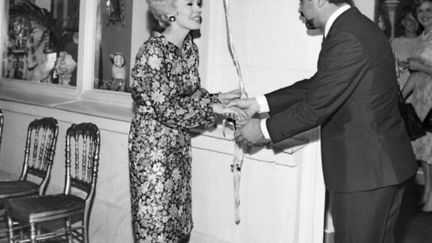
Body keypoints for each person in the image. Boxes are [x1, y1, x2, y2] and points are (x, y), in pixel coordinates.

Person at [228, 0, 417, 242]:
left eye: (301, 1)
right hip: (379, 168)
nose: (299, 8)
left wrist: (263, 129)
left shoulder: (348, 34)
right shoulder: (353, 27)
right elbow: (319, 85)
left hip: (367, 172)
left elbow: (317, 105)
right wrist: (260, 103)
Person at [128, 0, 244, 242]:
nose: (198, 8)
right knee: (156, 227)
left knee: (178, 226)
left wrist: (219, 98)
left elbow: (190, 96)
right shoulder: (152, 52)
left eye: (199, 3)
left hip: (179, 147)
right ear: (169, 10)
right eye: (189, 3)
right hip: (153, 153)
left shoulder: (190, 48)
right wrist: (215, 109)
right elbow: (166, 109)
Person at [401, 0, 432, 212]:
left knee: (431, 152)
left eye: (429, 10)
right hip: (421, 99)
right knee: (424, 153)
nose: (424, 15)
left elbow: (419, 68)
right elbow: (415, 73)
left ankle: (431, 198)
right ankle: (428, 192)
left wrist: (419, 66)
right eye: (420, 11)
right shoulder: (422, 38)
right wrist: (400, 97)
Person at [391, 6, 420, 88]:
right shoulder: (394, 43)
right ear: (403, 22)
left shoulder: (423, 42)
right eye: (409, 20)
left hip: (419, 90)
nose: (413, 23)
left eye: (416, 20)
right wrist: (398, 65)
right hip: (398, 88)